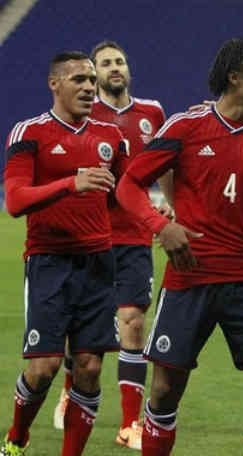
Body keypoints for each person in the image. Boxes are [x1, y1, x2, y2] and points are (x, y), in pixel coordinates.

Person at [115, 38, 243, 456]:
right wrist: (160, 227)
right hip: (189, 278)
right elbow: (129, 185)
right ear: (236, 77)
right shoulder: (186, 126)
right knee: (164, 392)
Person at [1, 51, 127, 456]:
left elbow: (122, 195)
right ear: (54, 84)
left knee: (89, 368)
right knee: (44, 368)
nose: (90, 87)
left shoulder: (111, 138)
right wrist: (70, 184)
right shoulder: (29, 133)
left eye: (92, 80)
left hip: (98, 263)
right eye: (78, 80)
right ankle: (16, 438)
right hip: (49, 263)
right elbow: (16, 201)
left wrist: (153, 214)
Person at [51, 40, 168, 451]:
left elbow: (167, 162)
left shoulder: (152, 113)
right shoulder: (83, 112)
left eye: (120, 61)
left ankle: (129, 424)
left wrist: (172, 202)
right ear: (93, 73)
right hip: (88, 234)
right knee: (78, 329)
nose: (114, 68)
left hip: (135, 233)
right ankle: (70, 388)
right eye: (105, 63)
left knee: (133, 322)